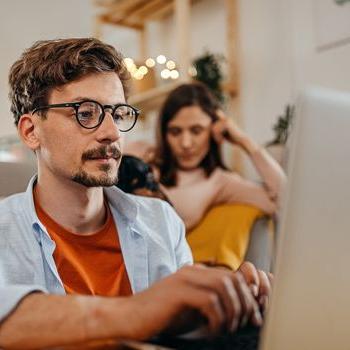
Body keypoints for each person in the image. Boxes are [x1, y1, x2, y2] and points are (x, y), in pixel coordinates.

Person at [0, 38, 270, 349]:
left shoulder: (162, 222)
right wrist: (137, 312)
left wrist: (230, 304)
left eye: (117, 114)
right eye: (85, 113)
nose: (111, 132)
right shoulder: (5, 230)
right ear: (31, 131)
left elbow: (181, 333)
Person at [154, 82, 287, 231]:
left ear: (213, 130)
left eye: (196, 131)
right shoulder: (144, 156)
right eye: (175, 132)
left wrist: (246, 143)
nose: (185, 143)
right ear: (164, 134)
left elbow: (284, 203)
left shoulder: (221, 181)